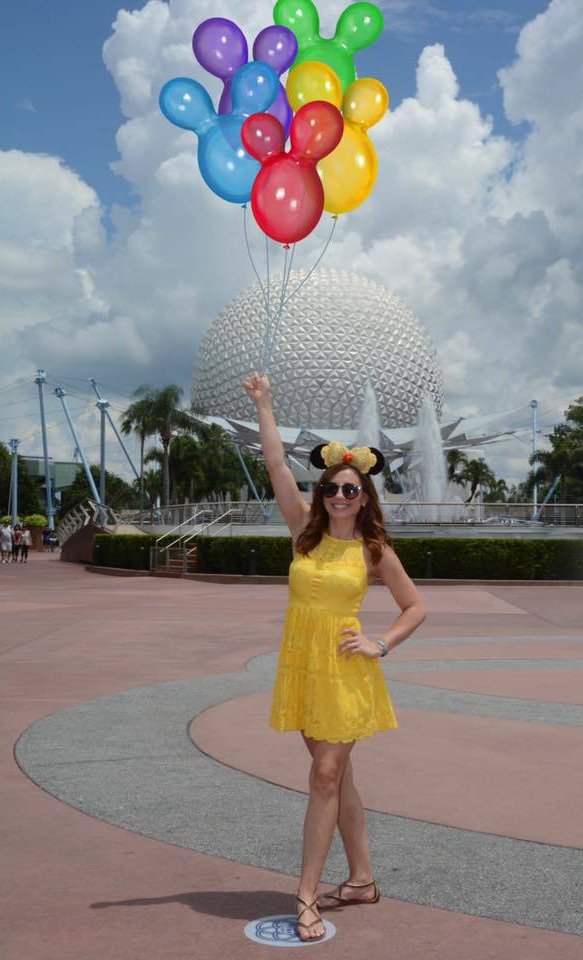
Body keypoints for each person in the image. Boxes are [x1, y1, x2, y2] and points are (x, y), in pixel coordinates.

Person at [244, 372, 427, 943]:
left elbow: (415, 607)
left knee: (325, 775)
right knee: (339, 777)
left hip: (347, 672)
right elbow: (276, 464)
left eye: (351, 490)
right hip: (303, 669)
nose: (340, 497)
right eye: (332, 489)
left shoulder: (374, 550)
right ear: (321, 494)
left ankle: (305, 894)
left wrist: (380, 643)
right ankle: (363, 880)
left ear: (365, 496)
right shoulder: (303, 530)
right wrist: (265, 404)